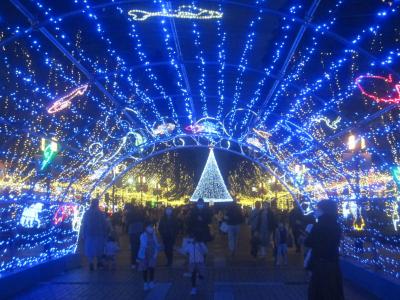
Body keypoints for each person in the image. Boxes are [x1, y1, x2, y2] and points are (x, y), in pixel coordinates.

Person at [305, 200, 344, 300]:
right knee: (333, 292)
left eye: (318, 209)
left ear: (324, 210)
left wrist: (308, 234)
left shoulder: (319, 225)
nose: (316, 211)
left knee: (319, 293)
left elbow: (309, 243)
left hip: (320, 264)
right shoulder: (336, 225)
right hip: (333, 263)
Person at [81, 199, 109, 271]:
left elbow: (84, 224)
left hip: (89, 233)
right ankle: (99, 263)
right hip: (99, 233)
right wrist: (105, 232)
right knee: (99, 248)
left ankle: (91, 263)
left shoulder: (87, 213)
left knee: (90, 248)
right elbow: (104, 223)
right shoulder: (100, 213)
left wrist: (83, 233)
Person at [137, 222, 160, 291]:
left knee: (152, 269)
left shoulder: (154, 235)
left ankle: (151, 282)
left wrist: (157, 249)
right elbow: (144, 245)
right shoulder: (142, 235)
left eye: (152, 227)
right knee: (145, 270)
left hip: (152, 254)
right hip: (144, 255)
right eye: (149, 227)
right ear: (146, 228)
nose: (151, 228)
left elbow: (156, 244)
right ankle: (145, 283)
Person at [126, 205, 145, 269]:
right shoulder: (139, 213)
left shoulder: (129, 214)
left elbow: (127, 223)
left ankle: (133, 263)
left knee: (134, 248)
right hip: (140, 231)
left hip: (133, 232)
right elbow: (143, 220)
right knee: (139, 247)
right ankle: (138, 260)